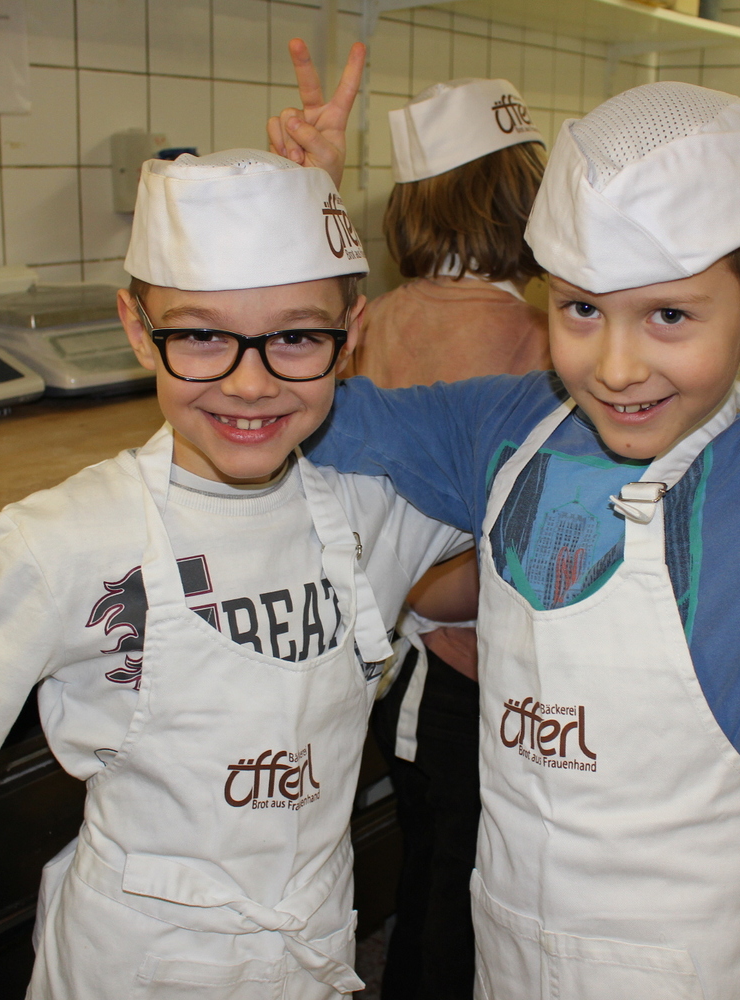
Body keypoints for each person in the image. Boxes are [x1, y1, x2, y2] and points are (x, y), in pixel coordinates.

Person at [276, 79, 740, 998]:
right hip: (511, 941)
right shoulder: (504, 428)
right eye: (581, 309)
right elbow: (307, 407)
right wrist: (293, 248)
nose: (617, 367)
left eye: (670, 314)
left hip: (692, 961)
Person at [0, 149, 471, 999]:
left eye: (296, 337)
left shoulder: (378, 506)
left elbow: (550, 456)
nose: (249, 384)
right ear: (138, 330)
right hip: (135, 968)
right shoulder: (63, 541)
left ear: (351, 334)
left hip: (313, 949)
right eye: (202, 335)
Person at [271, 46, 549, 1000]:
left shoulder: (377, 317)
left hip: (382, 656)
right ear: (528, 205)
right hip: (467, 670)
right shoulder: (534, 339)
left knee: (426, 858)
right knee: (463, 888)